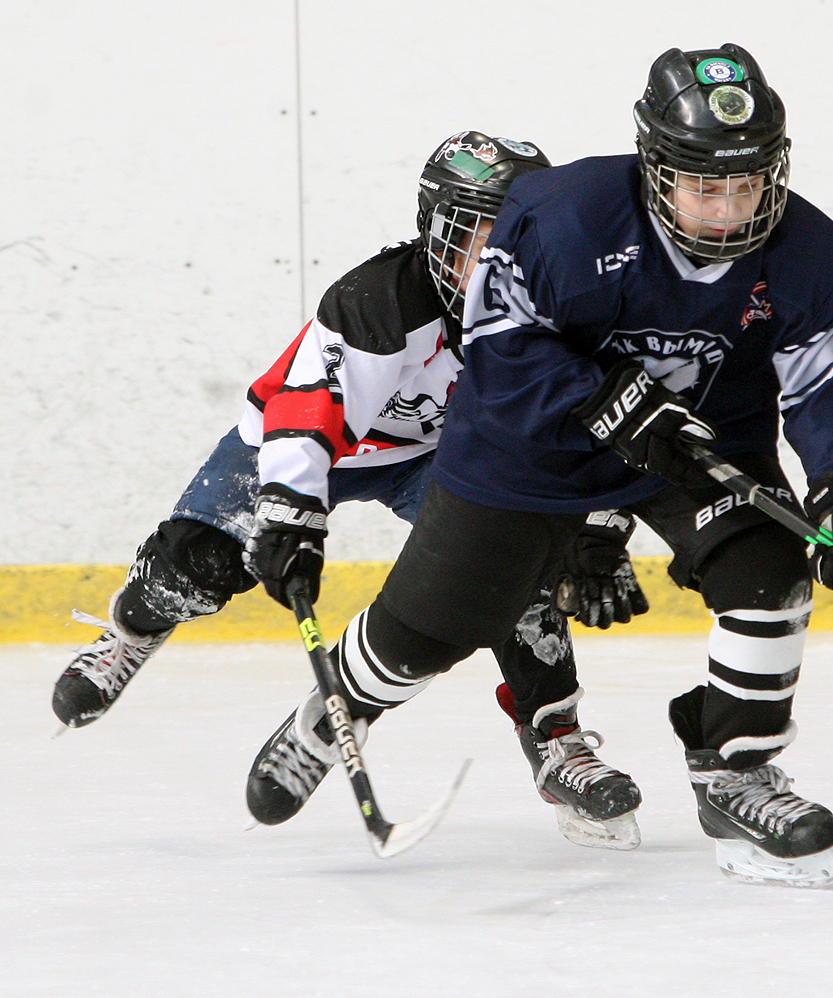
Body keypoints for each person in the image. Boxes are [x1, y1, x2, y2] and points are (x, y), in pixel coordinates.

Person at [246, 43, 833, 887]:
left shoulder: (815, 251)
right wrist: (604, 400)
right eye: (705, 183)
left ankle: (736, 771)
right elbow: (500, 346)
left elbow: (825, 379)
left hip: (700, 447)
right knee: (426, 636)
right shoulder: (563, 215)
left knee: (769, 574)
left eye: (747, 180)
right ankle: (339, 704)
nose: (730, 205)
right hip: (530, 450)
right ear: (655, 167)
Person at [53, 131, 649, 851]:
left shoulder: (558, 313)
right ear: (437, 232)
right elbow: (309, 414)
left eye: (520, 238)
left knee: (520, 574)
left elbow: (603, 427)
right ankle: (131, 630)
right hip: (311, 443)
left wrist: (600, 528)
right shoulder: (380, 301)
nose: (501, 261)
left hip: (437, 457)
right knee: (201, 567)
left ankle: (552, 738)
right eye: (481, 237)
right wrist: (291, 519)